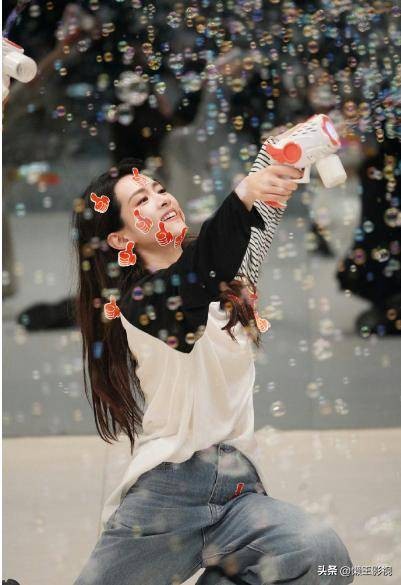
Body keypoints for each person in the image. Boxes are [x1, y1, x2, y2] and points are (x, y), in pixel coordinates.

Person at [71, 144, 354, 584]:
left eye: (159, 189)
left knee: (322, 555)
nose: (162, 198)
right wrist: (245, 192)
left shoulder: (228, 280)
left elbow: (254, 223)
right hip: (167, 495)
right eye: (142, 199)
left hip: (238, 490)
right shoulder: (140, 304)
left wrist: (288, 154)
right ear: (121, 240)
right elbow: (200, 270)